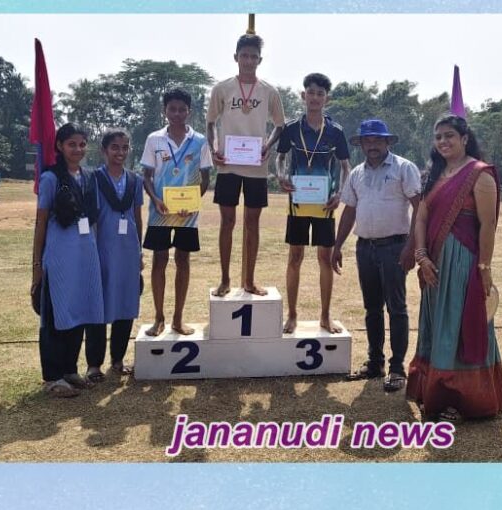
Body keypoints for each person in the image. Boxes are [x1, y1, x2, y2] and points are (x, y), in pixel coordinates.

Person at [406, 114, 502, 421]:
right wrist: (422, 257)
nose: (443, 141)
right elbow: (421, 218)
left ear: (464, 139)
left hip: (462, 263)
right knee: (437, 322)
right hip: (434, 262)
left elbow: (488, 224)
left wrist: (484, 267)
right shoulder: (433, 174)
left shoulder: (479, 174)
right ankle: (433, 390)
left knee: (459, 323)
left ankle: (461, 398)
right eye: (438, 137)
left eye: (449, 135)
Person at [333, 119, 421, 392]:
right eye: (366, 141)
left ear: (387, 142)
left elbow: (420, 209)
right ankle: (375, 363)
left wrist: (411, 247)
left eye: (377, 140)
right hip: (365, 247)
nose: (372, 145)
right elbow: (349, 210)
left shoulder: (404, 168)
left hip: (395, 246)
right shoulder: (356, 173)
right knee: (372, 308)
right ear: (361, 144)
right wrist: (337, 245)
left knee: (397, 308)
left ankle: (397, 369)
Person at [206, 32, 286, 297]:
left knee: (253, 222)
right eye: (244, 56)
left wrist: (267, 146)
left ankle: (249, 280)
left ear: (260, 60)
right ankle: (225, 280)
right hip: (228, 165)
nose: (248, 61)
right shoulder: (222, 89)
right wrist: (214, 148)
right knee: (227, 221)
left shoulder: (269, 92)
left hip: (256, 167)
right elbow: (210, 123)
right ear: (236, 57)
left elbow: (279, 126)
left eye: (253, 56)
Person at [30, 123, 104, 398]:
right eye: (72, 144)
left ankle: (70, 369)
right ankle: (53, 377)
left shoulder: (89, 177)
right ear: (60, 146)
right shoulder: (51, 178)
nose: (78, 149)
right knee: (56, 314)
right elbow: (40, 223)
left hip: (85, 256)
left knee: (80, 311)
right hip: (60, 258)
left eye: (82, 144)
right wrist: (37, 265)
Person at [276, 73, 350, 334]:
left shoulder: (335, 131)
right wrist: (281, 176)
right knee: (295, 257)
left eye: (320, 94)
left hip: (325, 205)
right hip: (297, 202)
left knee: (325, 258)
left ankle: (325, 316)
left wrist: (340, 193)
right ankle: (292, 315)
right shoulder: (291, 128)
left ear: (326, 99)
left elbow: (345, 166)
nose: (315, 98)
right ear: (303, 95)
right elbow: (280, 157)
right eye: (311, 92)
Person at [141, 88, 213, 336]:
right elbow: (146, 176)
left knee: (183, 260)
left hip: (187, 215)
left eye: (182, 109)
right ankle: (158, 318)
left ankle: (178, 319)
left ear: (189, 112)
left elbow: (205, 178)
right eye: (172, 109)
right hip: (160, 212)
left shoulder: (200, 141)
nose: (177, 114)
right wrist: (155, 199)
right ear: (165, 111)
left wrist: (192, 203)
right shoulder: (154, 139)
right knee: (159, 259)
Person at [83, 130, 145, 382]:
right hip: (102, 248)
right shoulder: (95, 179)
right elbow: (91, 217)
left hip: (128, 250)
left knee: (125, 304)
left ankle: (118, 359)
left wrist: (139, 250)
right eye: (115, 147)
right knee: (98, 305)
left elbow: (137, 216)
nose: (120, 152)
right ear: (104, 150)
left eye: (125, 147)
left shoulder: (135, 180)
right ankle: (94, 364)